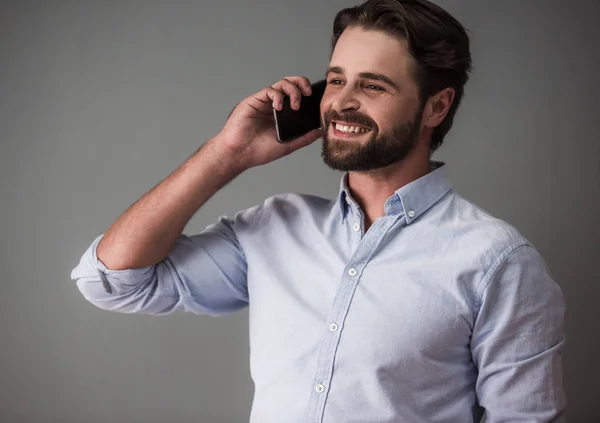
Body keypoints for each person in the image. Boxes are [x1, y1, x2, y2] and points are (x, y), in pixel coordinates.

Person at [70, 0, 566, 421]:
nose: (341, 104)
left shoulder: (498, 261)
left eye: (373, 86)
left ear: (436, 108)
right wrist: (227, 153)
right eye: (335, 80)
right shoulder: (275, 228)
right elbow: (112, 281)